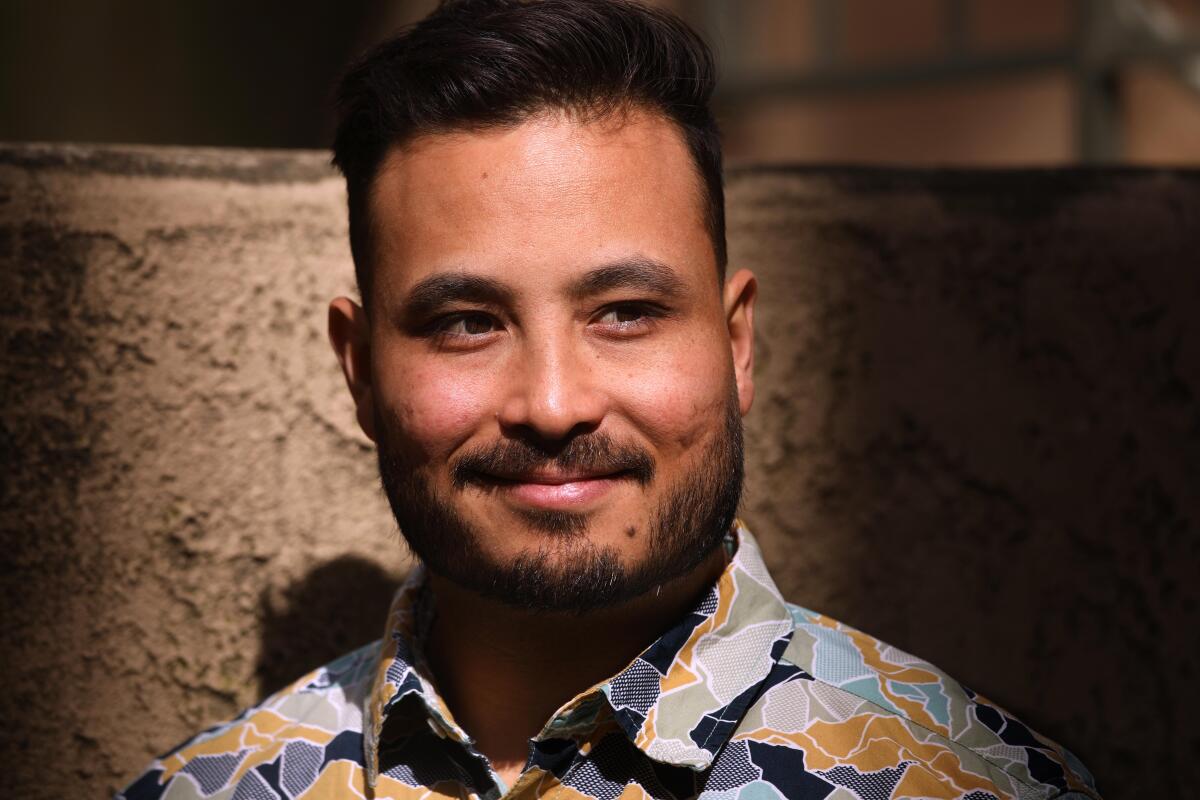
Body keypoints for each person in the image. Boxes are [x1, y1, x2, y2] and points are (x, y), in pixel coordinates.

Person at [118, 1, 1100, 798]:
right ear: (361, 371)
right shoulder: (212, 789)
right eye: (465, 321)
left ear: (736, 343)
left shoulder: (966, 782)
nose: (552, 404)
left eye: (625, 312)